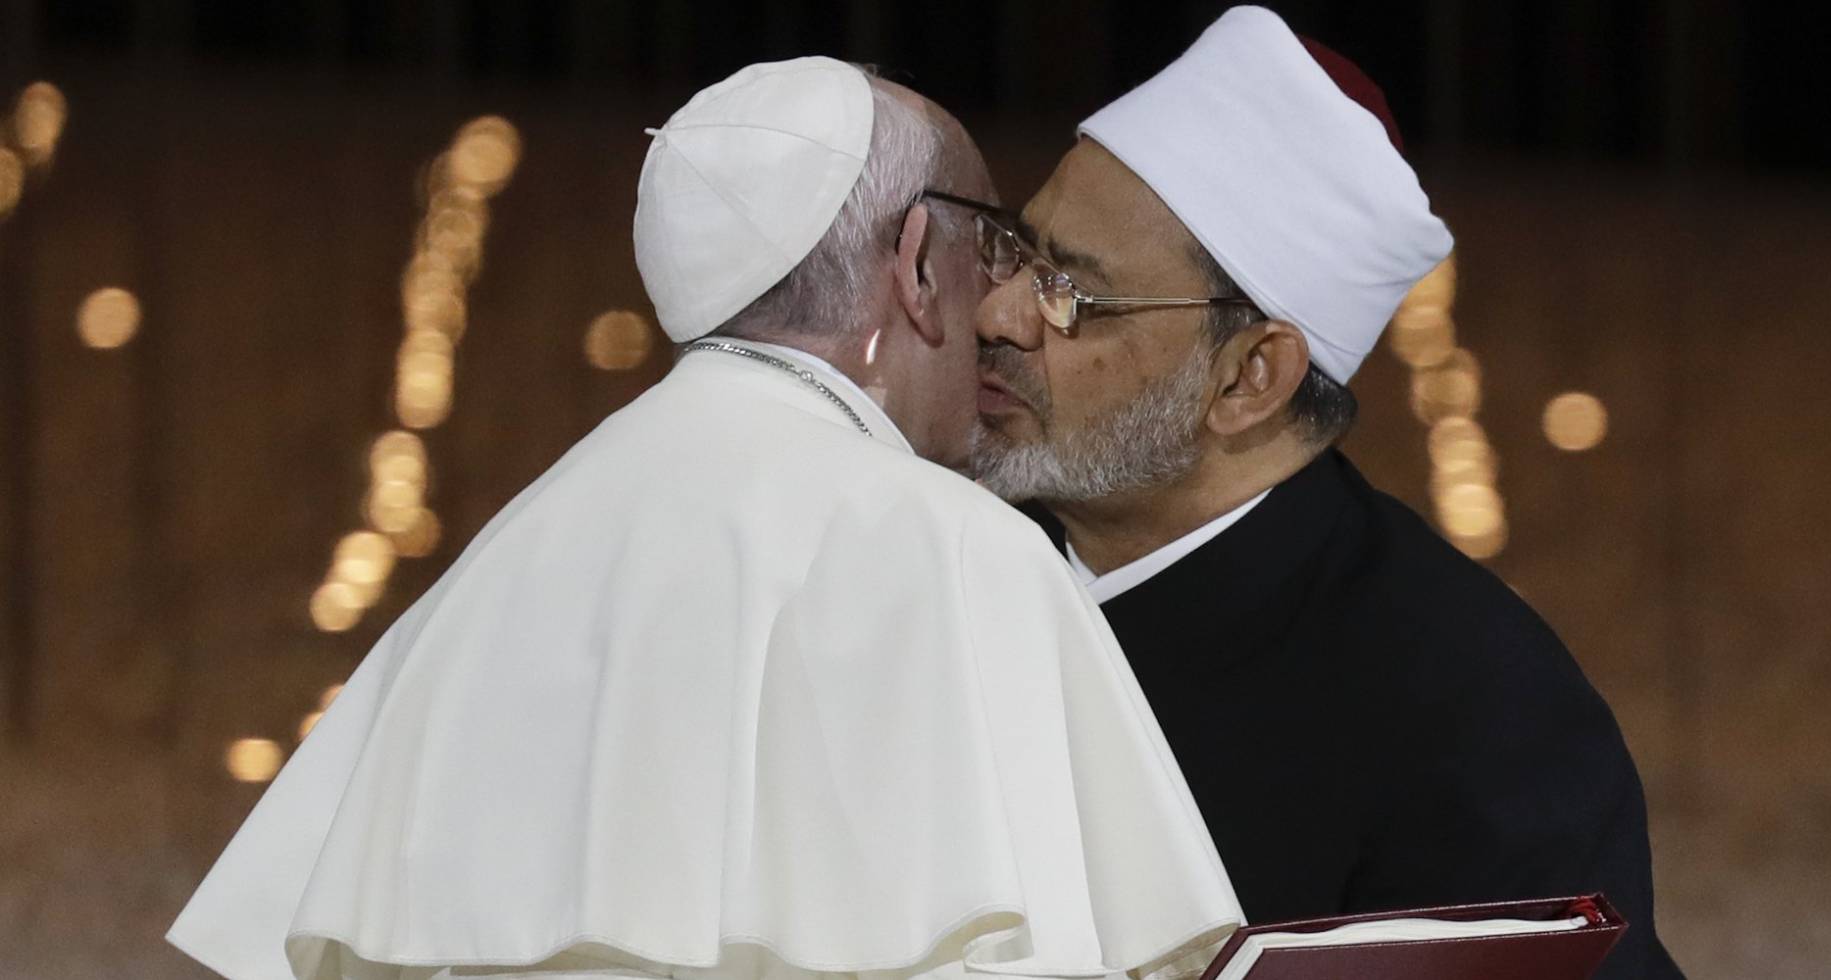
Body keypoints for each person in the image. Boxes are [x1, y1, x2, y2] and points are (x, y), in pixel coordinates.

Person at [167, 57, 1241, 980]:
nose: (1006, 312)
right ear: (916, 264)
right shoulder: (962, 553)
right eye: (991, 250)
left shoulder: (511, 555)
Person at [968, 8, 1683, 979]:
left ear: (1248, 380)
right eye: (1017, 250)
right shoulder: (935, 539)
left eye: (1069, 294)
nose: (998, 312)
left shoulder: (1477, 721)